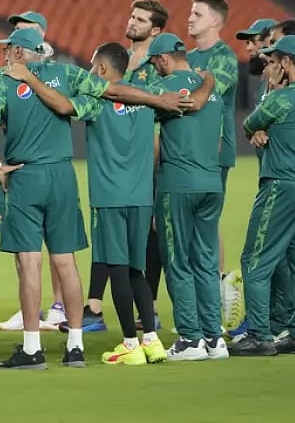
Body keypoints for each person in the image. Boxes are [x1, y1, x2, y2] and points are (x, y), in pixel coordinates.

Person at [0, 27, 187, 370]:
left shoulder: (3, 81)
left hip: (29, 176)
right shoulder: (69, 73)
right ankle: (78, 345)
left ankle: (34, 348)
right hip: (72, 179)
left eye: (8, 49)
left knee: (32, 264)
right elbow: (114, 91)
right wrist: (158, 100)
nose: (4, 54)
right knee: (70, 262)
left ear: (19, 53)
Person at [72, 44, 178, 365]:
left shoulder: (93, 101)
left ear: (102, 70)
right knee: (138, 269)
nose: (90, 72)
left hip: (108, 197)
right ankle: (152, 341)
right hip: (141, 196)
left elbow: (64, 106)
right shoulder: (147, 99)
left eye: (93, 66)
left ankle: (130, 344)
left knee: (117, 269)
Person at [229, 35, 295, 357]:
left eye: (274, 61)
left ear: (287, 63)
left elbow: (250, 121)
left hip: (282, 184)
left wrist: (270, 94)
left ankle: (261, 335)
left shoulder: (282, 97)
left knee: (256, 261)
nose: (270, 67)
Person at [147, 33, 229, 362]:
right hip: (211, 183)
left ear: (164, 59)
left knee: (178, 262)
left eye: (155, 64)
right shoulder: (213, 90)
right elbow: (220, 143)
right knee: (207, 264)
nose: (155, 70)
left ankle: (190, 340)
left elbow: (150, 142)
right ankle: (214, 338)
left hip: (178, 185)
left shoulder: (161, 90)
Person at [0, 10, 68, 332]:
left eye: (23, 30)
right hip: (19, 165)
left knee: (56, 244)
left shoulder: (54, 71)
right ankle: (32, 309)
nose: (16, 35)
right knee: (22, 245)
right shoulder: (6, 74)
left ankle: (58, 305)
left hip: (41, 167)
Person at [185, 0, 242, 313]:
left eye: (198, 13)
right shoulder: (189, 58)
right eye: (190, 12)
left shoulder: (224, 58)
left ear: (216, 21)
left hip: (214, 151)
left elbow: (206, 96)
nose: (190, 18)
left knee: (205, 224)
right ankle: (206, 296)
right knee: (193, 225)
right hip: (186, 150)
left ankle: (217, 289)